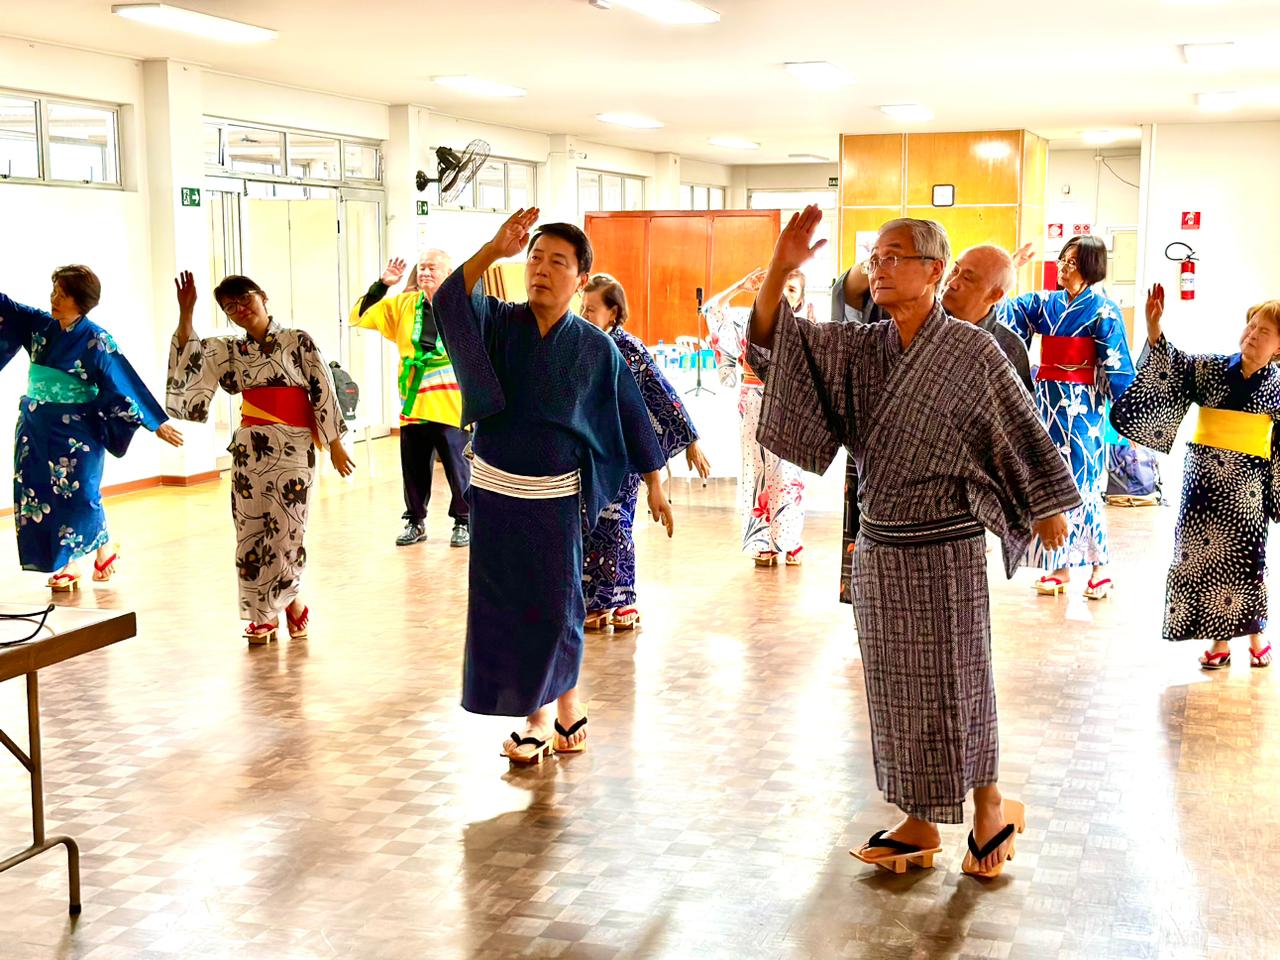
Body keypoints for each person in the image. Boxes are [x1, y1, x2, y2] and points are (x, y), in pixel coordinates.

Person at [747, 207, 1079, 879]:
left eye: (896, 256)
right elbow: (777, 348)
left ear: (933, 272)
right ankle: (921, 819)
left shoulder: (975, 350)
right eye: (876, 254)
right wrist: (782, 266)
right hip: (880, 545)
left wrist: (1047, 505)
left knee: (962, 683)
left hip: (947, 546)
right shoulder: (862, 347)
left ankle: (989, 807)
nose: (880, 265)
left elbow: (1018, 425)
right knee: (897, 690)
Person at [432, 209, 673, 764]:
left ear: (580, 278)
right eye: (534, 258)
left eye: (557, 262)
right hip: (494, 494)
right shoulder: (497, 321)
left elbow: (631, 414)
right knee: (502, 605)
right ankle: (541, 715)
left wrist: (655, 480)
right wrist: (494, 248)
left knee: (559, 606)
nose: (540, 270)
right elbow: (447, 303)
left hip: (556, 499)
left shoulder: (596, 347)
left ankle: (558, 710)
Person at [830, 243, 1035, 602]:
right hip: (881, 471)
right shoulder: (904, 315)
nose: (953, 282)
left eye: (967, 278)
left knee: (944, 594)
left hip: (951, 492)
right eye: (954, 270)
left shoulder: (1006, 346)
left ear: (996, 294)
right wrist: (879, 259)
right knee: (875, 581)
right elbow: (847, 296)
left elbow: (1018, 431)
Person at [167, 272, 354, 644]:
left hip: (293, 447)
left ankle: (286, 605)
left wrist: (334, 442)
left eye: (244, 300)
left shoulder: (297, 340)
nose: (240, 310)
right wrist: (186, 313)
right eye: (230, 307)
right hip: (249, 450)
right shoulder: (229, 349)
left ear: (263, 296)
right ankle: (266, 614)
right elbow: (192, 360)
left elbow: (322, 387)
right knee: (250, 532)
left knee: (286, 531)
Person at [1111, 284, 1279, 670]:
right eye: (1251, 327)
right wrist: (1154, 328)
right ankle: (1220, 643)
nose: (1252, 335)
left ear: (1279, 348)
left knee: (1247, 560)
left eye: (1264, 332)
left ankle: (1256, 634)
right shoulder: (1209, 367)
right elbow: (1172, 366)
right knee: (1200, 559)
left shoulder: (1279, 388)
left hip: (1247, 489)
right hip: (1202, 482)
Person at [2, 265, 183, 590]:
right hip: (36, 425)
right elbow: (6, 306)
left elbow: (124, 381)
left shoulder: (96, 341)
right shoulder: (39, 325)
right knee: (39, 492)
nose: (53, 298)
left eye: (62, 293)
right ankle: (68, 561)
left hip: (77, 432)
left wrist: (155, 422)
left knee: (81, 493)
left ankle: (99, 549)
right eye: (54, 290)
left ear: (80, 302)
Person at [1003, 236, 1135, 600]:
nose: (1062, 266)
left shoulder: (1104, 311)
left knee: (1082, 483)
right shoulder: (1044, 303)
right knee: (1047, 482)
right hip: (1045, 404)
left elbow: (1119, 368)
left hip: (1082, 408)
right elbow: (1002, 318)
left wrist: (1129, 418)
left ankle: (1100, 567)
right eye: (1061, 259)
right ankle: (1058, 566)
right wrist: (1009, 271)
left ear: (1091, 267)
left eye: (1072, 262)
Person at [580, 273, 710, 631]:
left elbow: (659, 392)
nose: (584, 315)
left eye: (592, 310)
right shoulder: (576, 342)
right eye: (582, 308)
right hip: (587, 449)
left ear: (614, 313)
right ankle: (593, 601)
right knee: (588, 524)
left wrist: (689, 439)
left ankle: (623, 599)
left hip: (623, 451)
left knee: (617, 523)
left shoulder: (628, 347)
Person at [350, 249, 471, 547]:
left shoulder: (464, 306)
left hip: (451, 401)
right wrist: (383, 285)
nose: (425, 273)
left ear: (448, 274)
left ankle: (464, 521)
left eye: (432, 268)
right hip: (414, 399)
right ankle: (415, 521)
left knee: (458, 467)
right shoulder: (405, 304)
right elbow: (361, 316)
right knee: (414, 465)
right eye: (422, 269)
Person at [703, 267, 808, 567]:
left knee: (788, 471)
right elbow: (713, 309)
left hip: (789, 403)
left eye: (792, 290)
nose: (785, 294)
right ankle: (762, 540)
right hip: (751, 400)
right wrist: (741, 285)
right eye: (781, 286)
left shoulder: (802, 328)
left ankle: (789, 538)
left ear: (799, 300)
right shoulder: (745, 320)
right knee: (756, 467)